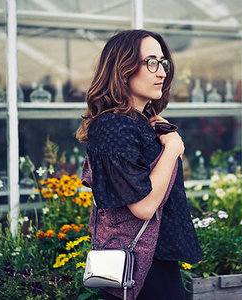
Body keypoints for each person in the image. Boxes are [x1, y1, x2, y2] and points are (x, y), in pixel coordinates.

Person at [76, 29, 202, 300]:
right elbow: (143, 206)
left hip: (153, 259)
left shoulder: (139, 123)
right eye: (151, 62)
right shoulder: (114, 126)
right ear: (123, 69)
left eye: (163, 63)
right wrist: (172, 150)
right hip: (140, 269)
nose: (162, 72)